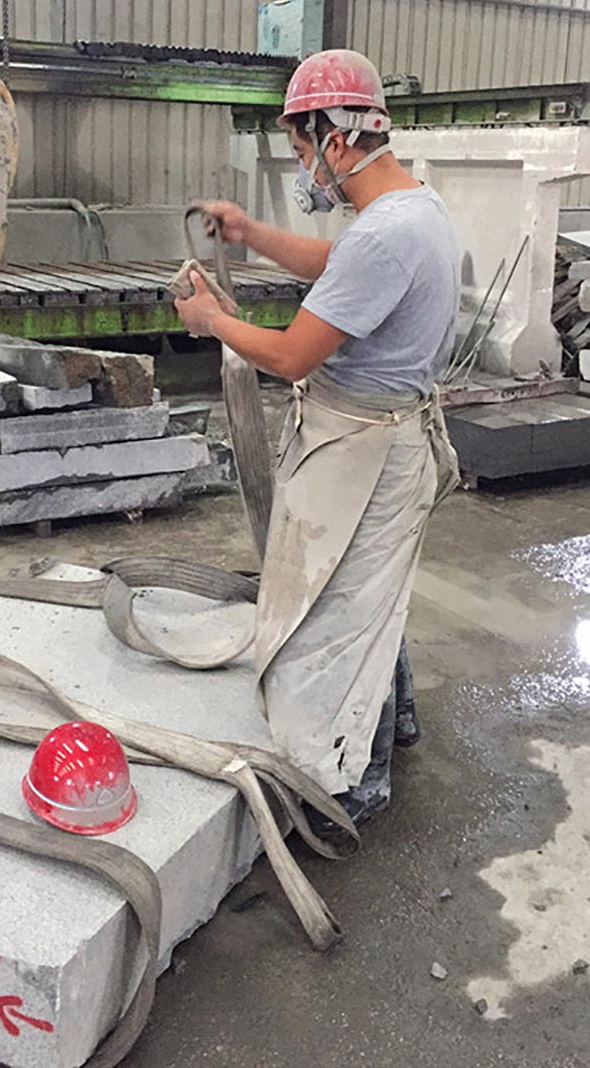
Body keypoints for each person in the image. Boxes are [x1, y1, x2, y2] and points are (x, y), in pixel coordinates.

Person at [174, 49, 460, 829]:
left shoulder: (382, 237)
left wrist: (213, 320)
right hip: (393, 437)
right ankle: (396, 721)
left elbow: (292, 355)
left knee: (330, 622)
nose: (305, 167)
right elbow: (336, 264)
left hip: (363, 452)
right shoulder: (413, 210)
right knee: (372, 597)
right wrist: (252, 232)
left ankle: (346, 788)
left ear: (337, 139)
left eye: (304, 151)